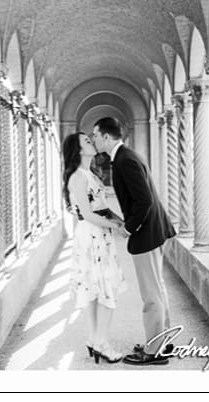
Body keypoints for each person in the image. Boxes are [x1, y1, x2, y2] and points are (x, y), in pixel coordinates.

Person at [91, 117, 177, 365]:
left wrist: (129, 228)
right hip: (153, 230)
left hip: (147, 234)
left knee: (151, 295)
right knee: (157, 290)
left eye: (95, 135)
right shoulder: (125, 157)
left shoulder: (125, 160)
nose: (94, 140)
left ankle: (154, 352)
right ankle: (162, 343)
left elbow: (144, 200)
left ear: (106, 137)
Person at [62, 132, 127, 364]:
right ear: (78, 150)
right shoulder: (78, 177)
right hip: (91, 236)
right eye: (86, 141)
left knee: (96, 288)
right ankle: (101, 343)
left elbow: (102, 206)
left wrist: (120, 221)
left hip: (100, 234)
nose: (91, 141)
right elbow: (88, 215)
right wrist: (115, 227)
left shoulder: (90, 174)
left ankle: (94, 338)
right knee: (104, 286)